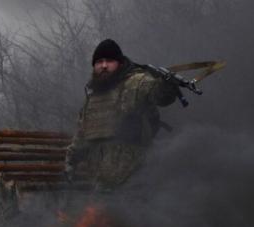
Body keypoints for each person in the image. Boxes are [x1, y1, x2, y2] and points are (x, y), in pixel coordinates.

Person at [65, 39, 179, 190]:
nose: (104, 66)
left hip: (135, 180)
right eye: (99, 61)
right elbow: (82, 133)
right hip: (99, 182)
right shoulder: (92, 98)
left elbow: (161, 96)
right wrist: (71, 160)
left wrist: (167, 84)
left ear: (119, 63)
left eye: (109, 61)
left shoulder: (137, 82)